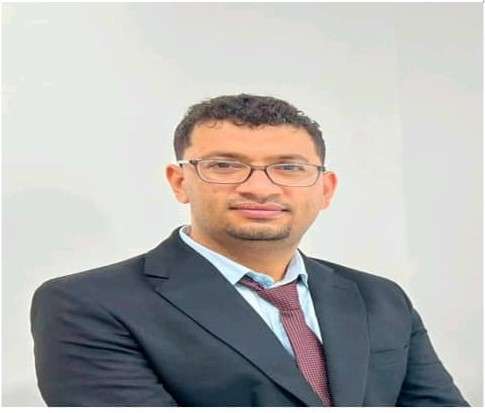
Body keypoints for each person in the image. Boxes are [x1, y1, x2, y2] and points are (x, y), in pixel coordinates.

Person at [30, 94, 469, 407]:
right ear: (180, 182)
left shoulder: (379, 298)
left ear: (325, 188)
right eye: (225, 165)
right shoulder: (89, 304)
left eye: (289, 167)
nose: (259, 188)